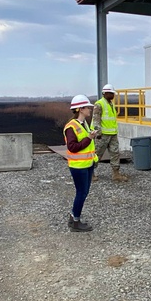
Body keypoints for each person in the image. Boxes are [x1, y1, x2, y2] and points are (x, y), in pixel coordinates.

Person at [63, 94, 98, 232]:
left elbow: (86, 145)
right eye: (88, 107)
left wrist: (92, 136)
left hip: (87, 165)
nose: (90, 110)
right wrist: (89, 138)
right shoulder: (71, 127)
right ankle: (75, 221)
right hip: (78, 166)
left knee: (84, 192)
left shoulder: (83, 124)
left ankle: (74, 216)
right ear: (80, 109)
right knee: (81, 193)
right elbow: (72, 147)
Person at [92, 83, 129, 182]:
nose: (113, 95)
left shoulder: (111, 104)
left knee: (115, 153)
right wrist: (98, 133)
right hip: (102, 135)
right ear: (105, 93)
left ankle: (116, 174)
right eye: (111, 93)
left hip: (112, 134)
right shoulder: (99, 104)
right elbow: (96, 120)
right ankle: (91, 173)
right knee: (96, 154)